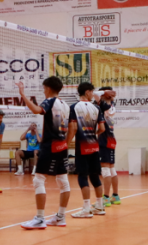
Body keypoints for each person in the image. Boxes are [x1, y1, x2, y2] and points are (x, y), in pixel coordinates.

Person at [17, 77, 71, 229]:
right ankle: (60, 217)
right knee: (63, 181)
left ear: (48, 88)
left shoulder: (50, 101)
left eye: (44, 88)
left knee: (38, 179)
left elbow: (36, 110)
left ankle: (40, 219)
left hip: (50, 146)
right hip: (62, 146)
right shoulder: (65, 105)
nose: (43, 91)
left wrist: (23, 95)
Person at [69, 82, 106, 219]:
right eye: (92, 91)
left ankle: (86, 208)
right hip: (94, 146)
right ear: (87, 92)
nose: (93, 94)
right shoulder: (96, 108)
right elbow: (102, 129)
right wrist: (92, 134)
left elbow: (73, 128)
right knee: (95, 175)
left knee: (82, 176)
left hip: (82, 146)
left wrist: (66, 143)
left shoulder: (74, 107)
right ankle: (100, 206)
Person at [95, 86, 120, 206]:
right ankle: (115, 196)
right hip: (111, 138)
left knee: (105, 170)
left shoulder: (104, 106)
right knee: (111, 169)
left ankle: (105, 198)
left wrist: (104, 92)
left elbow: (95, 94)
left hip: (104, 139)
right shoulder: (111, 106)